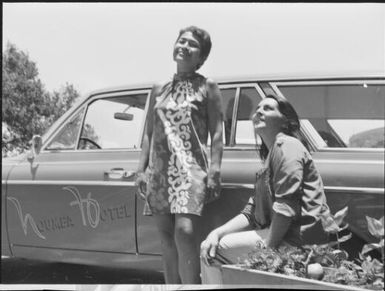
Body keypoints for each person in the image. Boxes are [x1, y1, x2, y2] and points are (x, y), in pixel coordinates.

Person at [200, 94, 333, 283]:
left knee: (212, 252)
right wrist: (217, 232)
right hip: (284, 235)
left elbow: (285, 208)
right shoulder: (272, 155)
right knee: (211, 243)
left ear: (285, 121)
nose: (259, 111)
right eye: (258, 109)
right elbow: (252, 212)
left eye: (268, 108)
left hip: (296, 240)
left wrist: (266, 253)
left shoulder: (287, 146)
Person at [135, 26, 223, 284]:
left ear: (201, 58)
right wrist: (141, 170)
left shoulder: (208, 86)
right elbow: (148, 133)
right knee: (165, 237)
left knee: (184, 233)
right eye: (181, 41)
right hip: (160, 170)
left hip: (190, 168)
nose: (184, 46)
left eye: (192, 45)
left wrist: (215, 171)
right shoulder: (158, 88)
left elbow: (218, 131)